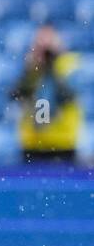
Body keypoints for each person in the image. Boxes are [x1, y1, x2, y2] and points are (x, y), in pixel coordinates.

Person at [12, 25, 83, 164]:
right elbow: (16, 93)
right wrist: (32, 70)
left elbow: (68, 94)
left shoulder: (70, 65)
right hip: (32, 146)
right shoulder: (31, 69)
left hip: (62, 145)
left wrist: (52, 66)